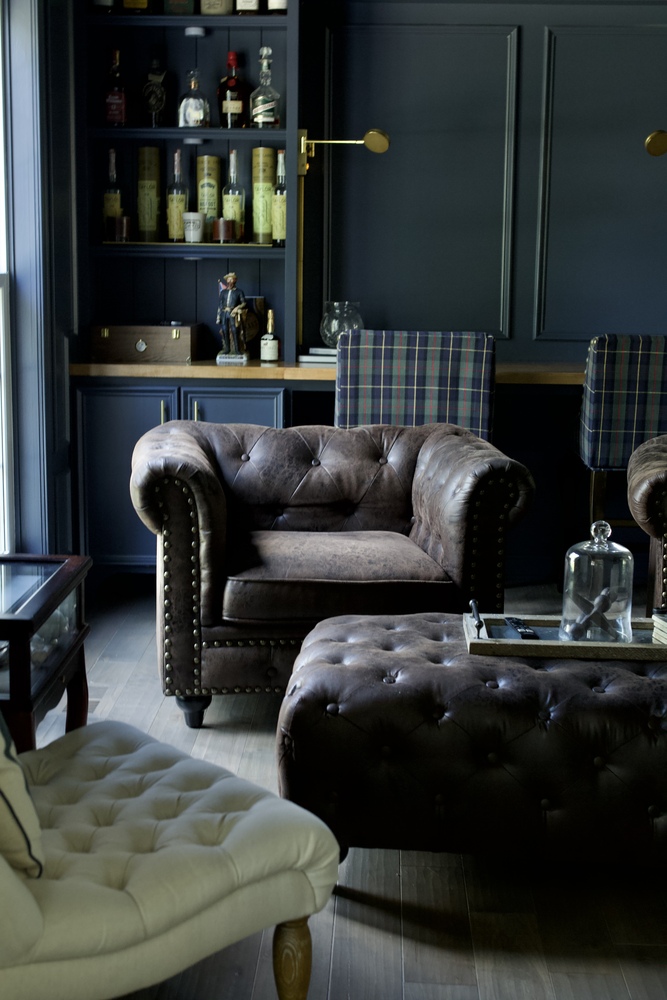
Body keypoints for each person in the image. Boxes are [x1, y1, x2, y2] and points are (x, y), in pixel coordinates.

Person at [216, 272, 248, 355]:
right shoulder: (223, 292)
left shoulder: (239, 292)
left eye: (231, 279)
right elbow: (220, 304)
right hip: (224, 313)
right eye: (228, 280)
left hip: (233, 313)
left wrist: (237, 308)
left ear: (235, 280)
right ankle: (227, 349)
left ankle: (237, 349)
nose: (229, 281)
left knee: (235, 330)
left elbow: (244, 303)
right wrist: (218, 316)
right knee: (224, 330)